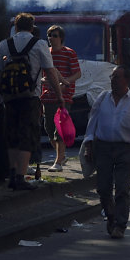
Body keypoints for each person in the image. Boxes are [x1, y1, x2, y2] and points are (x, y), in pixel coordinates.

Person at [0, 12, 64, 191]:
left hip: (9, 98)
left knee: (12, 136)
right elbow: (50, 72)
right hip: (30, 97)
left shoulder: (4, 45)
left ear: (15, 27)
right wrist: (59, 96)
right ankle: (21, 177)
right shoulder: (39, 44)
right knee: (27, 136)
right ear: (32, 27)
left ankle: (13, 174)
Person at [81, 65, 130, 239]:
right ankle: (110, 215)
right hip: (103, 148)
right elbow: (92, 121)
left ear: (126, 80)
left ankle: (120, 224)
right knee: (103, 188)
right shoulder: (103, 98)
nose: (112, 80)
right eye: (112, 77)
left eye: (116, 77)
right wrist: (89, 144)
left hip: (125, 149)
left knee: (122, 189)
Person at [41, 25, 81, 173]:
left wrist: (65, 83)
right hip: (47, 96)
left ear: (61, 38)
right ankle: (62, 156)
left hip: (64, 97)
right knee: (49, 130)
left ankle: (58, 161)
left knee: (60, 129)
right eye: (49, 35)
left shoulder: (69, 53)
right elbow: (42, 74)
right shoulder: (45, 53)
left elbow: (77, 73)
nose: (51, 38)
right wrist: (44, 81)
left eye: (55, 35)